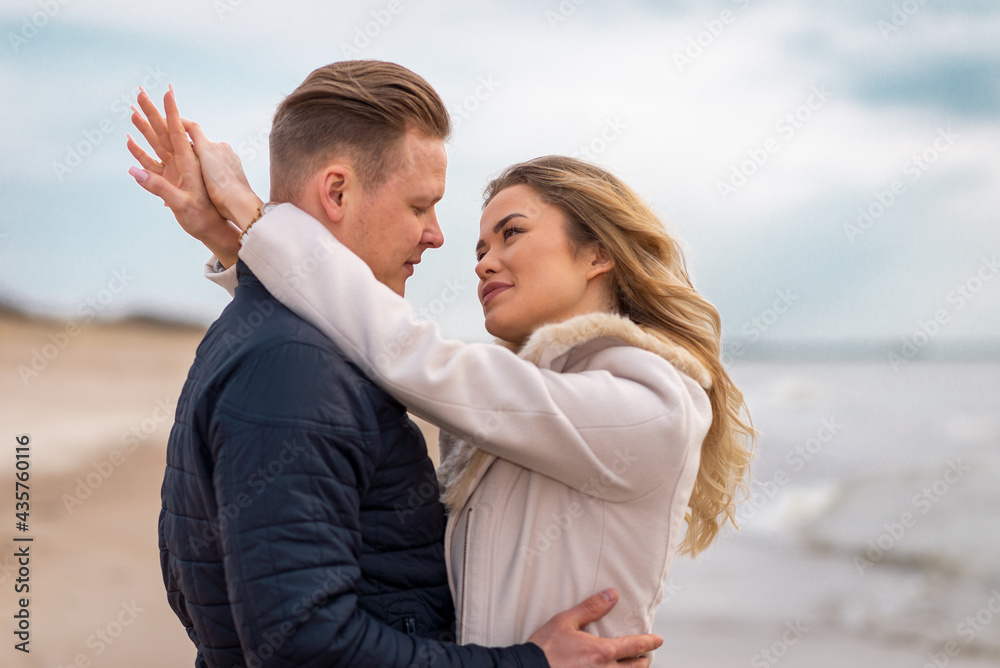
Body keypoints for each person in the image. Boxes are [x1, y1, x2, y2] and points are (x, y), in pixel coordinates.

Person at [126, 61, 663, 667]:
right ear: (336, 192)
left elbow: (412, 357)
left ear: (599, 254)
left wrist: (249, 231)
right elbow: (305, 646)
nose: (443, 241)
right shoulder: (294, 363)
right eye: (420, 207)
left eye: (509, 234)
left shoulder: (644, 404)